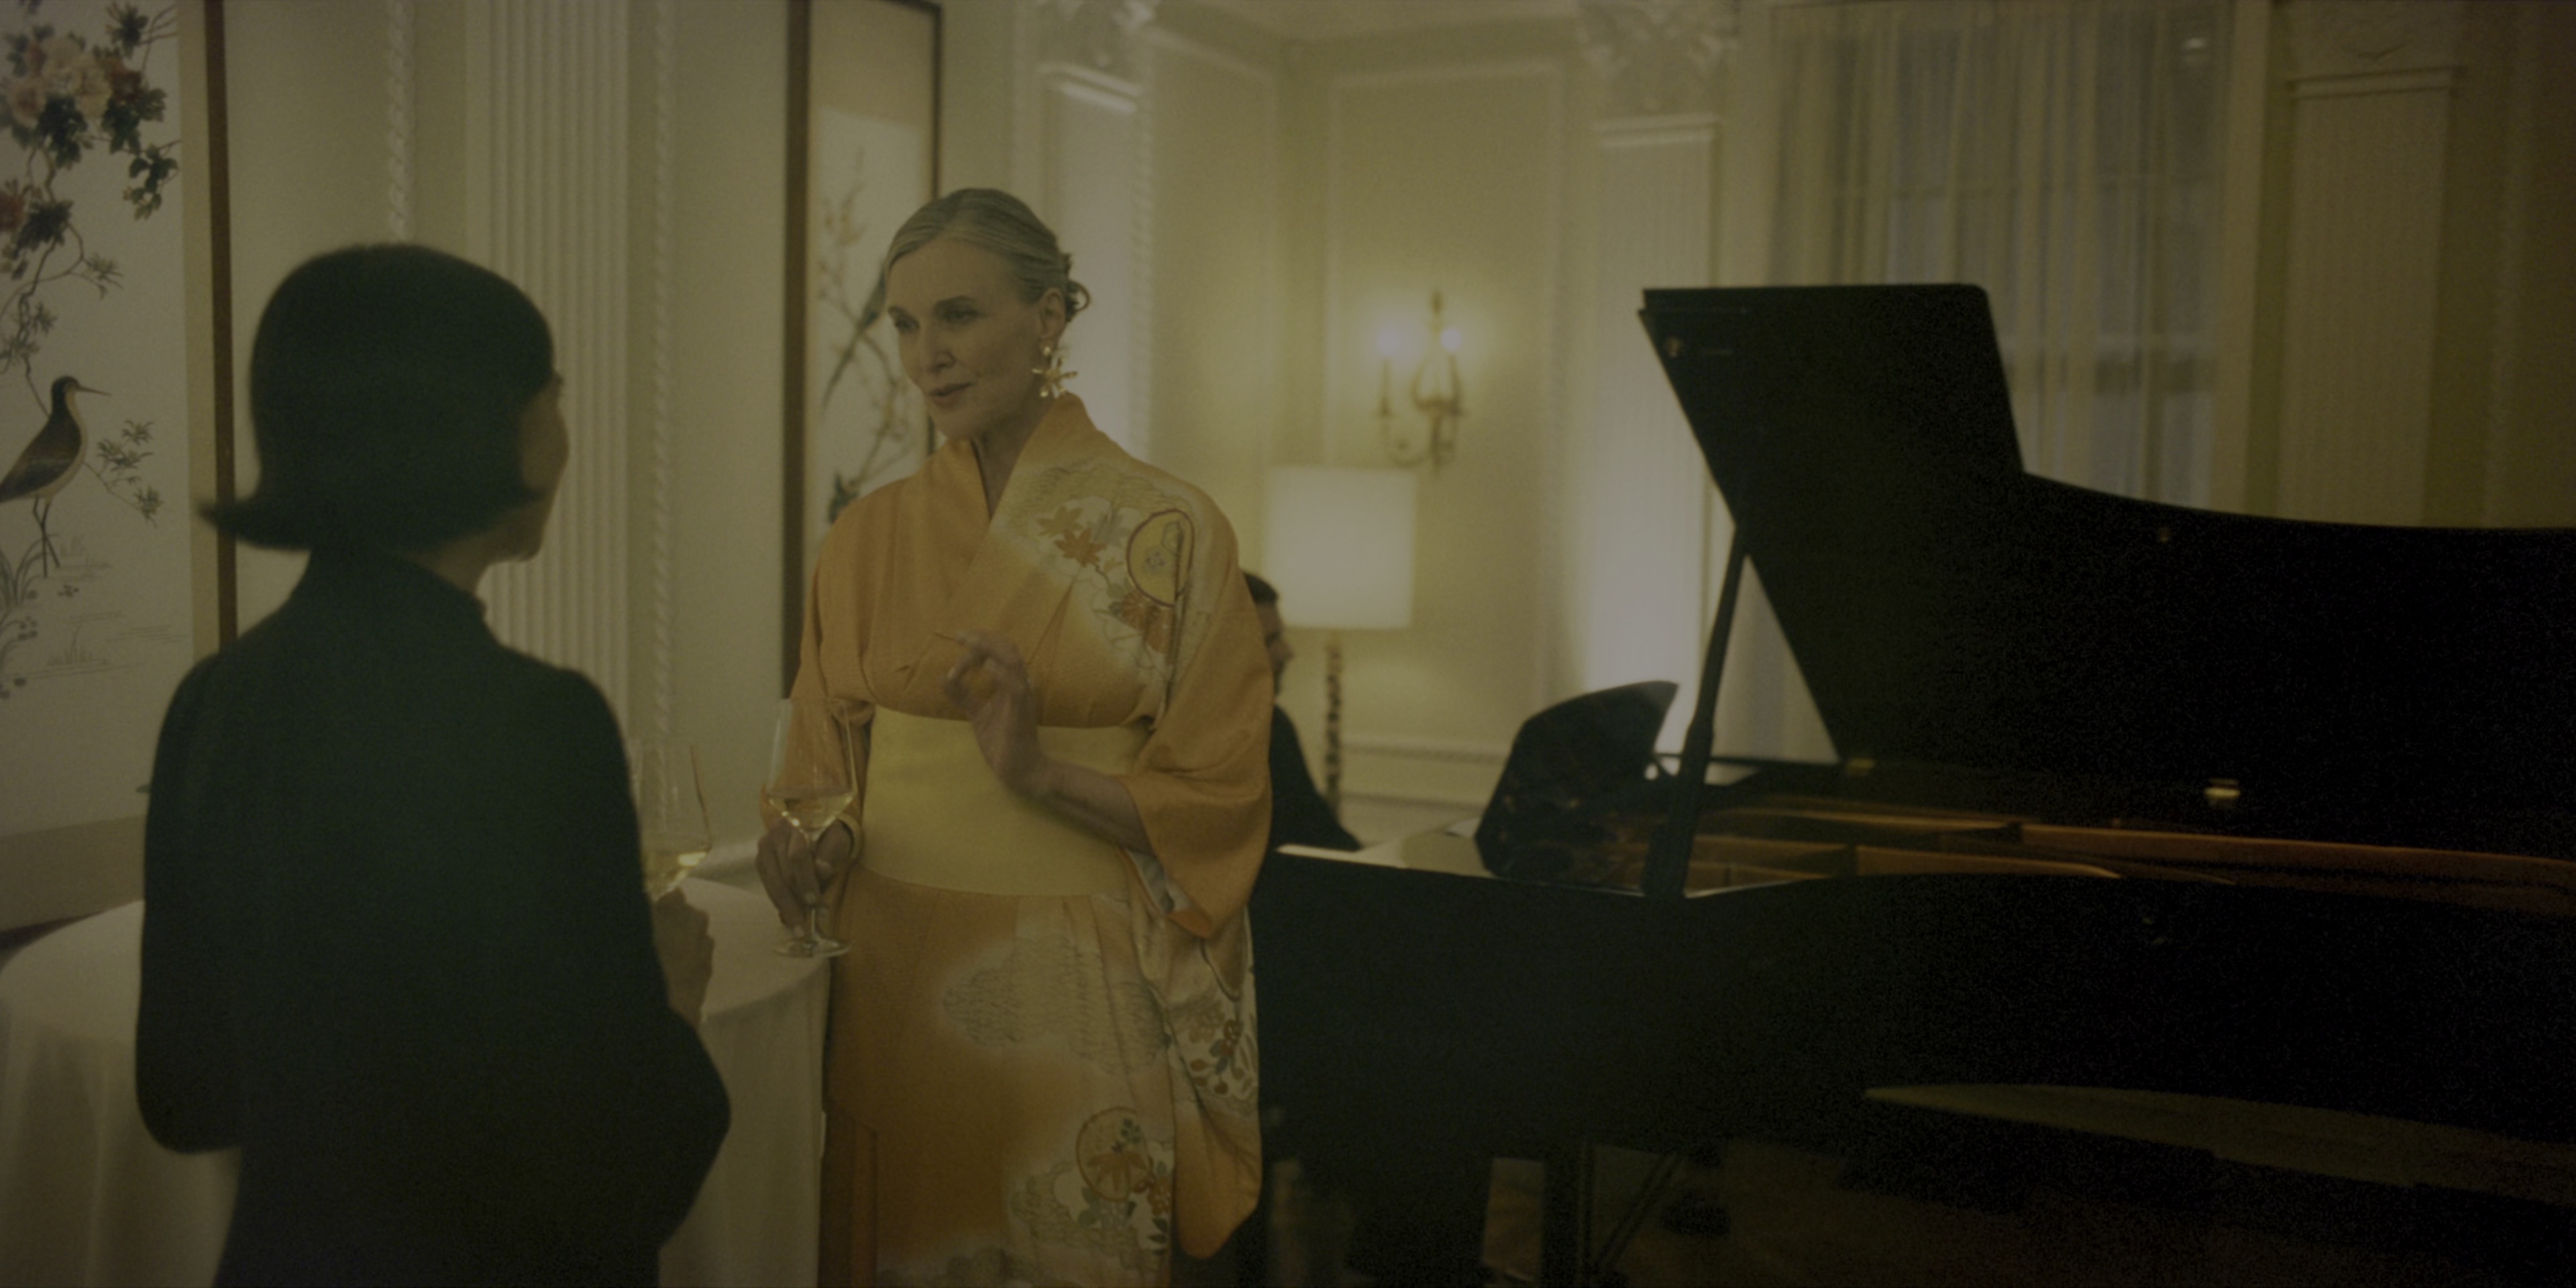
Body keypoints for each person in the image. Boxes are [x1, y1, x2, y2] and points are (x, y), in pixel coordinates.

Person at [136, 244, 729, 1286]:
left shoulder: (211, 703)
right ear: (494, 429)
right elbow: (622, 1179)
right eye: (553, 397)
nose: (565, 435)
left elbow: (186, 1099)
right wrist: (673, 1004)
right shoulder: (538, 725)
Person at [756, 189, 1273, 1287]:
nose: (926, 357)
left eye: (958, 316)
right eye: (905, 325)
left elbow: (1221, 794)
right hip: (893, 966)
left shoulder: (1173, 528)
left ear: (1048, 317)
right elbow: (824, 762)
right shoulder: (866, 536)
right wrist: (820, 844)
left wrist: (1036, 773)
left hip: (1074, 970)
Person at [1244, 572, 1360, 854]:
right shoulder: (1184, 742)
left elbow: (1321, 833)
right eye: (1269, 641)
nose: (1287, 653)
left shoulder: (1274, 724)